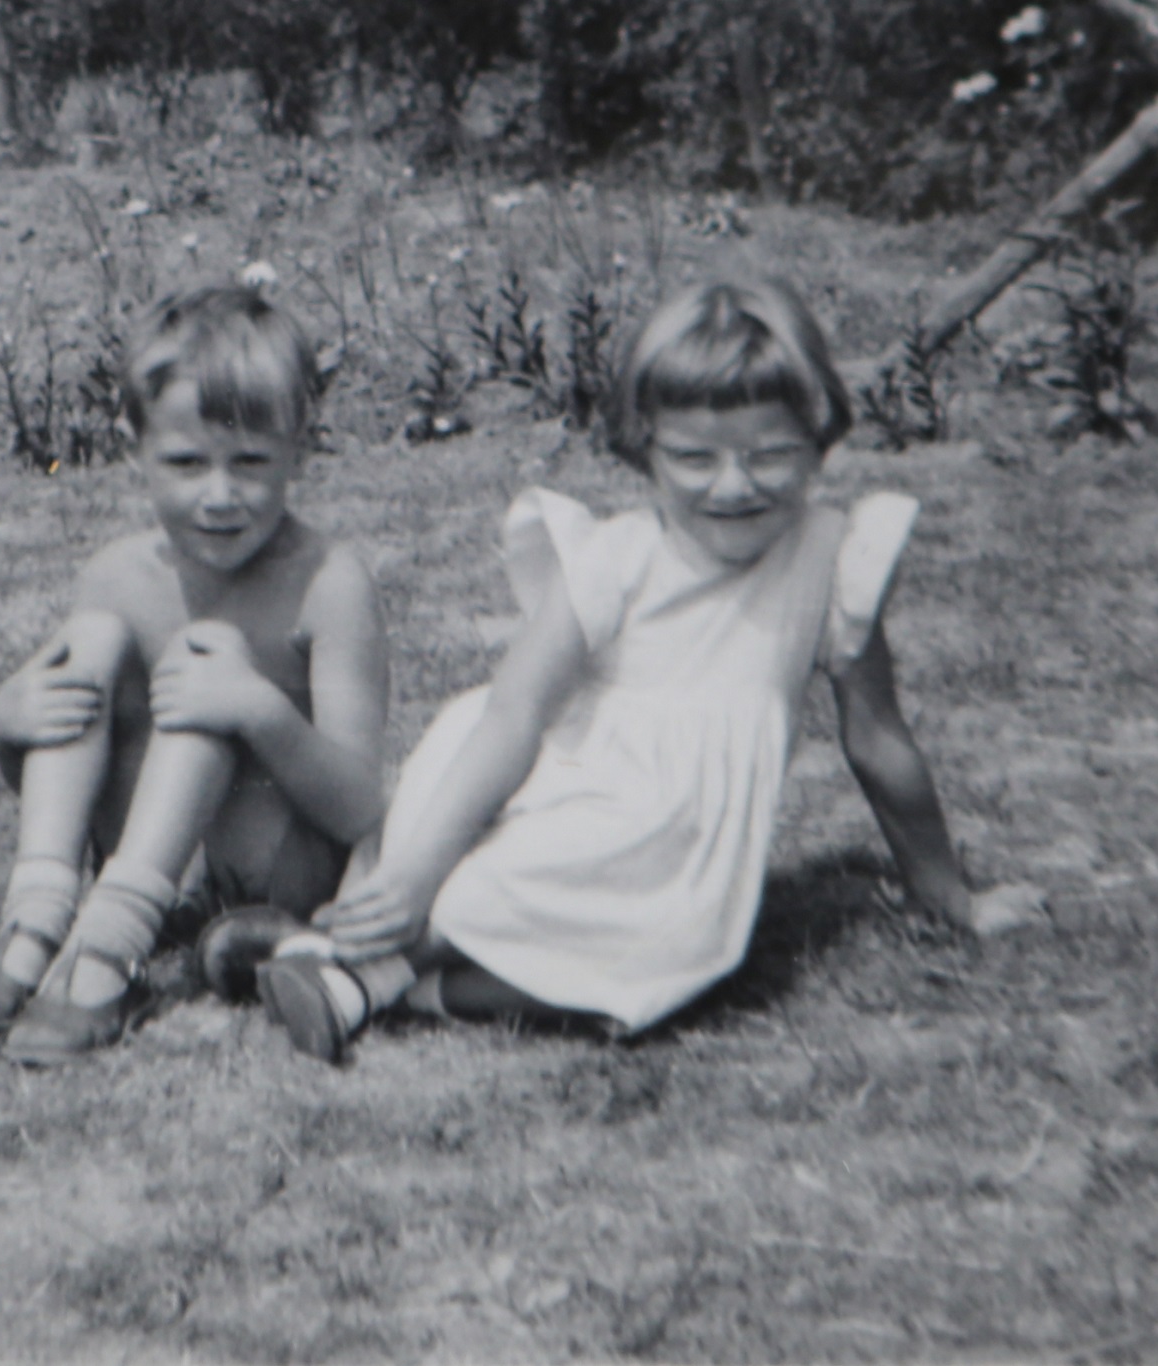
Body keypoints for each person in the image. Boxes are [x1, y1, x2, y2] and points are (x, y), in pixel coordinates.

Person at [226, 270, 996, 1062]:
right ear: (645, 445)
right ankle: (355, 959)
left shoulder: (832, 559)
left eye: (771, 454)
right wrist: (420, 868)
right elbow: (513, 714)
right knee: (479, 883)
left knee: (655, 977)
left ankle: (356, 973)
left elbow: (878, 740)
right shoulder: (617, 558)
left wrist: (944, 894)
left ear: (819, 437)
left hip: (675, 840)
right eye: (696, 458)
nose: (734, 484)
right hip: (550, 780)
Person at [0, 284, 390, 1066]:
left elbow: (362, 807)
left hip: (267, 877)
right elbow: (64, 770)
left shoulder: (329, 582)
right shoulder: (115, 576)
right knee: (93, 643)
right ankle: (35, 925)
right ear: (132, 444)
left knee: (210, 655)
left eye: (250, 462)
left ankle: (107, 954)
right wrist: (5, 723)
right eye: (184, 462)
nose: (219, 495)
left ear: (298, 450)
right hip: (145, 866)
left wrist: (260, 711)